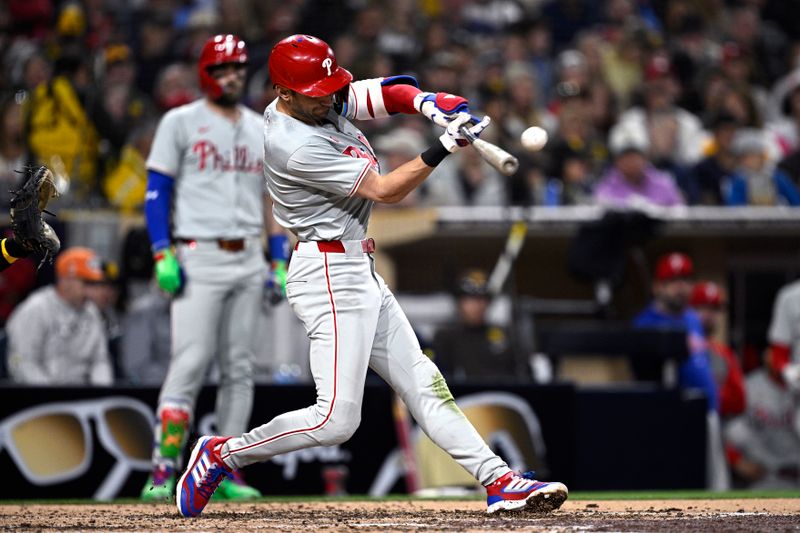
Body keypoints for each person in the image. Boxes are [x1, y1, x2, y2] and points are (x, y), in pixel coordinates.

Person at [175, 34, 568, 518]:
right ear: (284, 93)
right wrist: (445, 143)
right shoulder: (292, 143)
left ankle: (498, 479)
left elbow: (390, 91)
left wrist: (430, 103)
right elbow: (384, 191)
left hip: (356, 265)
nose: (330, 96)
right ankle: (221, 455)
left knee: (425, 382)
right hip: (326, 273)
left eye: (330, 85)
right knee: (336, 421)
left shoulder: (318, 97)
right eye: (316, 91)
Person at [141, 34, 289, 502]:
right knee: (189, 362)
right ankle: (163, 472)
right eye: (223, 69)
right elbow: (156, 192)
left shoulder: (259, 126)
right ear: (206, 73)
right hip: (198, 252)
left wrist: (278, 258)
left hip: (248, 254)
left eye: (238, 69)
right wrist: (162, 251)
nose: (232, 77)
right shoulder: (180, 121)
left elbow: (271, 201)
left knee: (239, 368)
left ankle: (221, 473)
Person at [6, 247, 113, 385]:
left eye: (94, 283)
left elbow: (100, 361)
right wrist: (54, 396)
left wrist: (101, 393)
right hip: (39, 397)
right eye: (86, 283)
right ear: (65, 280)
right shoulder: (36, 309)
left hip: (81, 400)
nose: (92, 291)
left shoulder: (91, 312)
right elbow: (22, 363)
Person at [633, 253, 718, 411]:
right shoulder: (645, 324)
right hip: (673, 413)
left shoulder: (692, 318)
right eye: (673, 280)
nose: (681, 286)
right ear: (657, 286)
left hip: (707, 411)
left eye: (685, 279)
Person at [432, 269, 518, 381]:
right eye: (470, 299)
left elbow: (519, 375)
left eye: (482, 299)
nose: (477, 305)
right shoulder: (445, 338)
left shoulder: (503, 335)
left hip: (501, 396)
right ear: (459, 302)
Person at [689, 281, 746, 418]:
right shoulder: (679, 346)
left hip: (714, 421)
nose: (709, 315)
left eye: (714, 309)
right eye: (702, 308)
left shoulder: (724, 354)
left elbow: (739, 401)